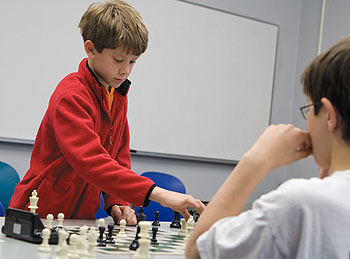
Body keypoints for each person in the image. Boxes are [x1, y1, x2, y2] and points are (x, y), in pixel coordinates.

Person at [9, 0, 205, 224]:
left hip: (81, 216)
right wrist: (159, 194)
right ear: (91, 49)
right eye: (119, 60)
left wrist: (117, 200)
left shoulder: (116, 93)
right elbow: (91, 160)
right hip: (40, 210)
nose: (126, 70)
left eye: (133, 61)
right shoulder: (71, 94)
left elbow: (117, 155)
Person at [186, 37, 350, 259]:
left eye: (309, 108)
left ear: (329, 115)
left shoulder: (302, 202)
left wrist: (255, 161)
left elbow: (197, 251)